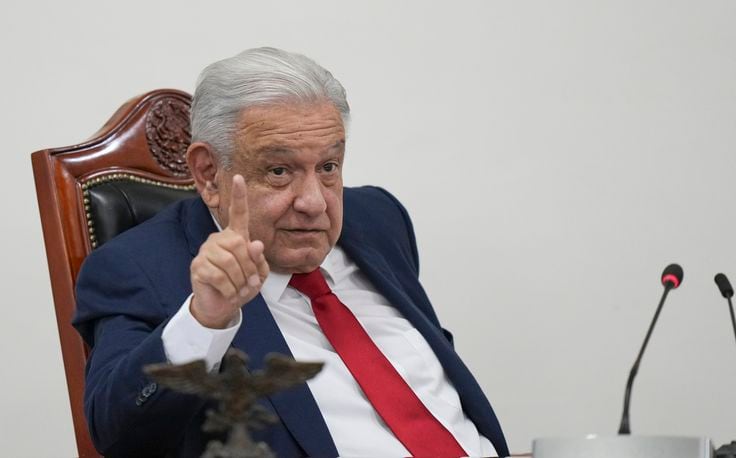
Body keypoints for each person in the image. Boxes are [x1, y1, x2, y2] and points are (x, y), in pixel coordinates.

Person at [74, 47, 508, 457]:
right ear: (208, 174)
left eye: (328, 167)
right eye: (279, 171)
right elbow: (118, 436)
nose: (314, 202)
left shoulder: (379, 220)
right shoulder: (138, 269)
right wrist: (206, 320)